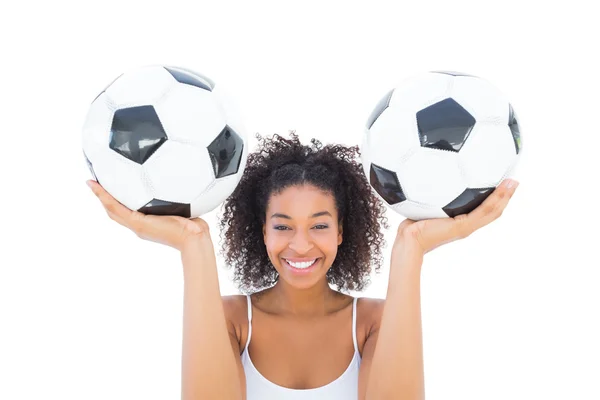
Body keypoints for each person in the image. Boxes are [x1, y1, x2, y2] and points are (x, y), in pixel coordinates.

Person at [87, 132, 519, 400]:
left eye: (319, 225)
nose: (300, 244)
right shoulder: (232, 319)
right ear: (261, 231)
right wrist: (193, 244)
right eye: (282, 226)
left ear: (342, 232)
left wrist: (411, 246)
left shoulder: (372, 322)